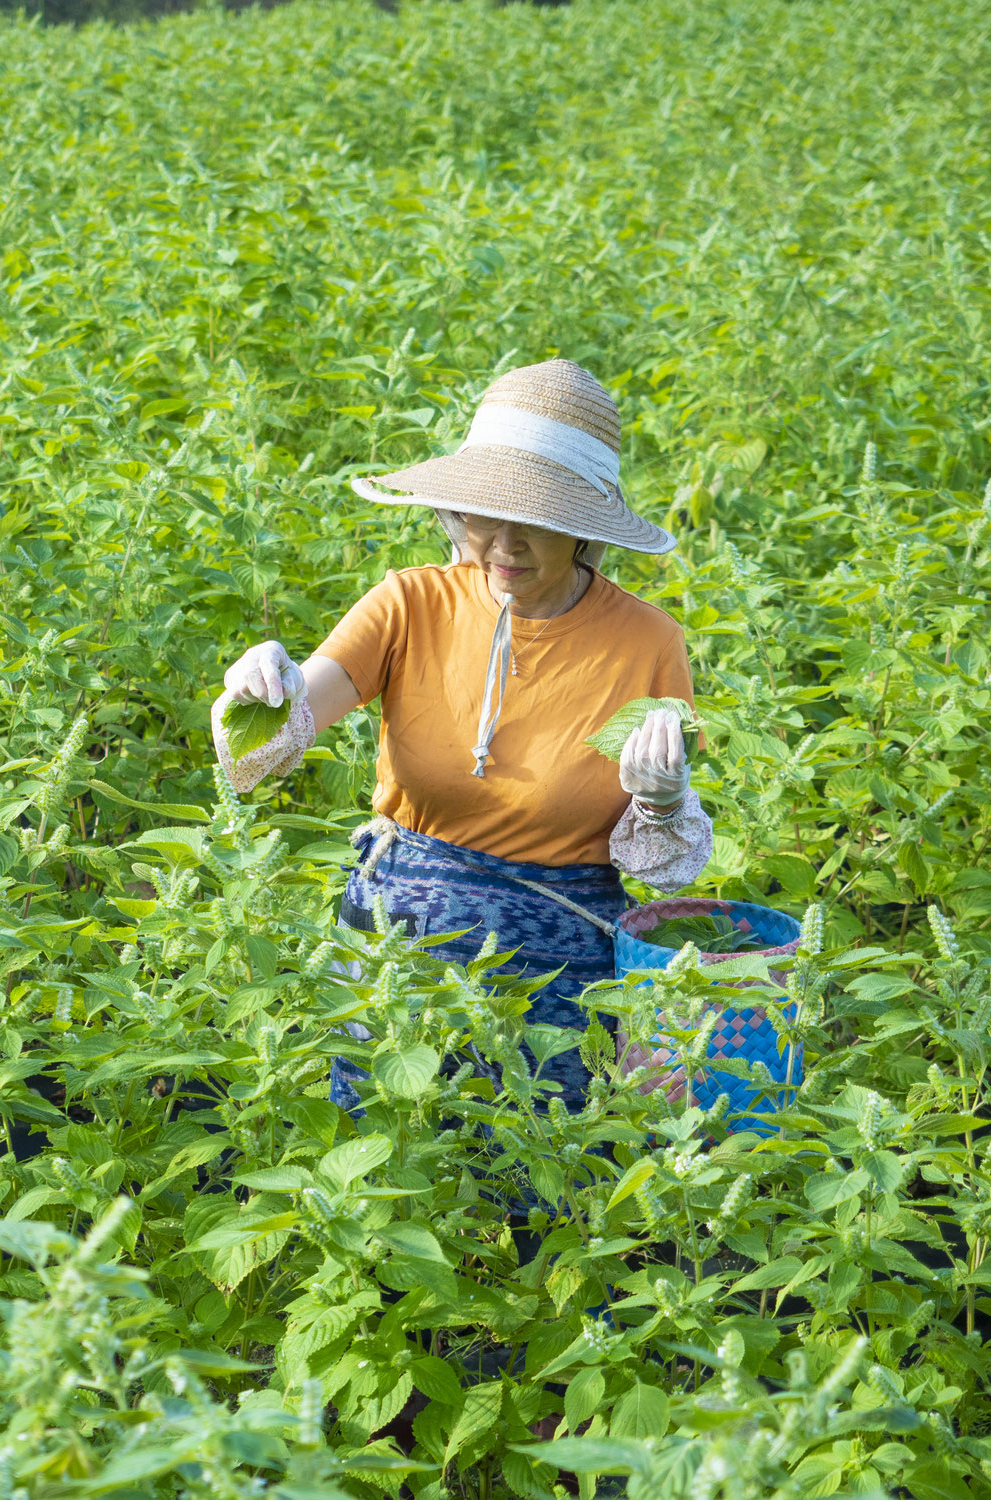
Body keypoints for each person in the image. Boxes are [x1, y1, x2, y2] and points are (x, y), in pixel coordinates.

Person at [212, 358, 711, 1112]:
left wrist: (664, 802)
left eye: (534, 521)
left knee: (538, 1167)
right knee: (385, 1145)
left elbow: (665, 862)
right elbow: (286, 723)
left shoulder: (646, 643)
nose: (502, 543)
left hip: (560, 964)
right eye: (484, 514)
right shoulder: (409, 604)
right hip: (394, 936)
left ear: (581, 528)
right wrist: (264, 678)